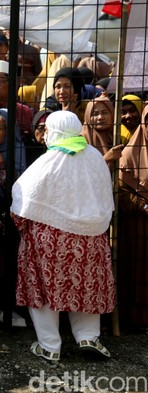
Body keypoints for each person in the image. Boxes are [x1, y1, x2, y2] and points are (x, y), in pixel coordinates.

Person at [12, 111, 115, 361]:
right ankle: (88, 336)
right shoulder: (94, 157)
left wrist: (21, 223)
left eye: (47, 129)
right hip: (91, 237)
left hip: (50, 238)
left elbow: (23, 197)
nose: (45, 133)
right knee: (86, 286)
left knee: (44, 287)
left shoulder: (49, 160)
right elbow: (105, 195)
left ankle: (49, 345)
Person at [118, 104, 148, 328]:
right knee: (138, 270)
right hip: (139, 225)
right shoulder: (129, 153)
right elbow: (122, 193)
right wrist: (144, 206)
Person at [81, 95, 124, 165]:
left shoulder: (118, 135)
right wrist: (105, 159)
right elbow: (81, 169)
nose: (100, 117)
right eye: (95, 114)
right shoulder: (82, 138)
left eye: (104, 113)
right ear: (88, 117)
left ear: (112, 114)